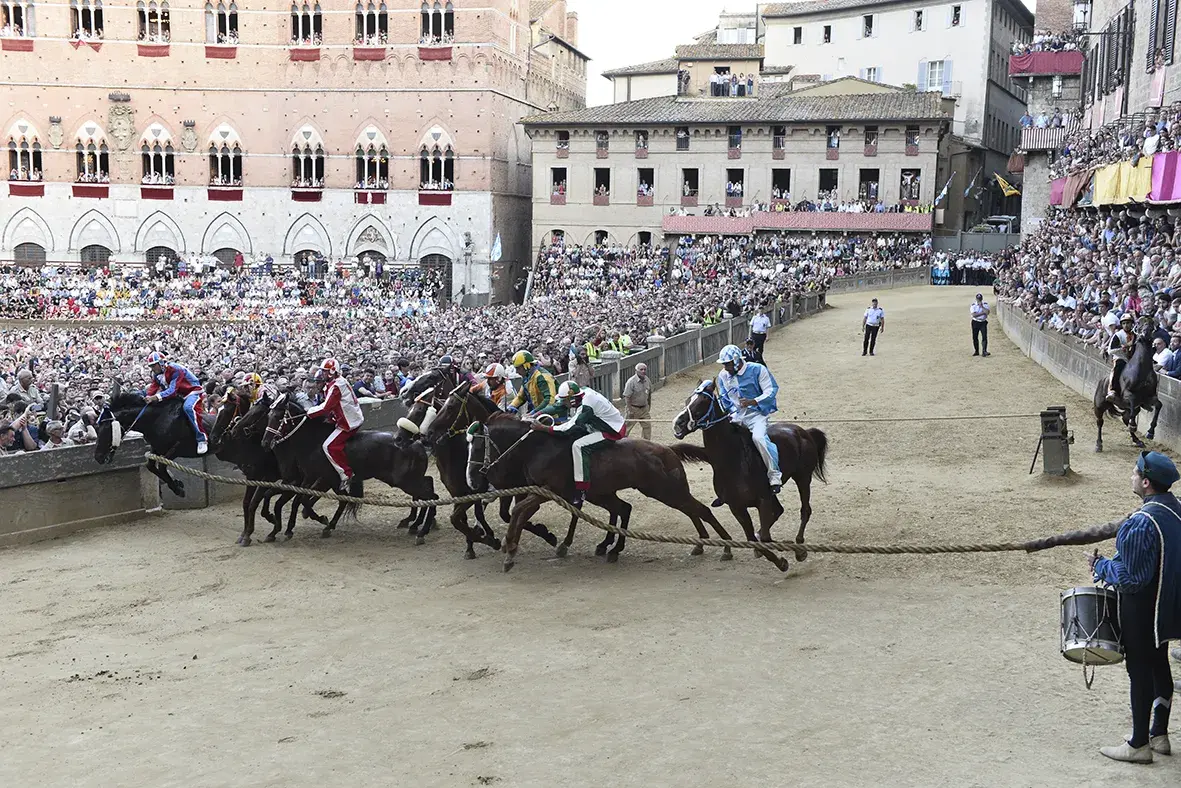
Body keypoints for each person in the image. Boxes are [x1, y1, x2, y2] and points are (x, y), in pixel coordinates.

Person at [1088, 451, 1181, 763]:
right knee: (1159, 666)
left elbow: (1131, 580)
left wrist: (1101, 565)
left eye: (1134, 472)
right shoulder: (1175, 512)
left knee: (1139, 671)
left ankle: (1138, 743)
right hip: (1166, 609)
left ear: (1145, 482)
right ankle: (1160, 735)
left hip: (1142, 611)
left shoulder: (1141, 523)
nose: (1130, 476)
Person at [532, 381, 626, 507]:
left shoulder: (587, 405)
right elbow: (558, 406)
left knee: (578, 446)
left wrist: (544, 428)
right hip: (597, 423)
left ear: (571, 399)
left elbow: (569, 428)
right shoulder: (580, 393)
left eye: (565, 400)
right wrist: (535, 414)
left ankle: (581, 489)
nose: (563, 402)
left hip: (611, 430)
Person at [715, 344, 781, 493]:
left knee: (759, 439)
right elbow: (724, 399)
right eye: (724, 364)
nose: (726, 367)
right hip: (736, 416)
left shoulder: (758, 369)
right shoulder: (723, 376)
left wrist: (753, 401)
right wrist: (729, 412)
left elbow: (771, 390)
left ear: (737, 361)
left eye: (728, 364)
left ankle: (774, 475)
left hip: (756, 415)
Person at [305, 357, 365, 490]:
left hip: (348, 422)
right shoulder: (336, 383)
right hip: (347, 417)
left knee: (328, 446)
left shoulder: (337, 385)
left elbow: (326, 407)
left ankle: (346, 475)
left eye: (325, 372)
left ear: (332, 371)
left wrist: (309, 412)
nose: (323, 374)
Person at [144, 351, 208, 455]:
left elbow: (172, 390)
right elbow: (153, 387)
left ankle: (202, 439)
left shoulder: (175, 369)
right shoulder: (157, 374)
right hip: (179, 395)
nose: (152, 368)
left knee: (188, 408)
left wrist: (155, 397)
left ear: (161, 363)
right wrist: (147, 396)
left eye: (154, 365)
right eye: (151, 366)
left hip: (192, 392)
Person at [508, 350, 557, 414]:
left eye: (518, 368)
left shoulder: (542, 376)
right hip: (537, 413)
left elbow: (550, 400)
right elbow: (521, 397)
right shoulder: (526, 378)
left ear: (527, 366)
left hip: (552, 415)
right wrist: (512, 406)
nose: (517, 372)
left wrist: (534, 412)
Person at [1107, 313, 1136, 401]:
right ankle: (1113, 390)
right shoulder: (1118, 335)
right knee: (1118, 366)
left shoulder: (1136, 335)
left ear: (1132, 324)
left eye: (1128, 323)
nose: (1126, 325)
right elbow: (1110, 351)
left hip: (1133, 359)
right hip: (1121, 357)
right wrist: (1124, 347)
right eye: (1124, 323)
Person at [622, 362, 653, 440]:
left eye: (644, 369)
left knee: (647, 427)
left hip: (644, 409)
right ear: (636, 371)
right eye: (641, 369)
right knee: (626, 428)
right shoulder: (631, 382)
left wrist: (648, 405)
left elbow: (649, 394)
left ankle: (646, 443)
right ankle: (621, 443)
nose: (643, 371)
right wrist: (630, 410)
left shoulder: (647, 380)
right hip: (633, 408)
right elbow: (627, 397)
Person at [970, 292, 991, 357]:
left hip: (983, 322)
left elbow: (987, 312)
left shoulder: (985, 304)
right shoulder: (973, 305)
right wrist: (982, 313)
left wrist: (982, 307)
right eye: (978, 299)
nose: (979, 300)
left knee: (984, 336)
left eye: (980, 299)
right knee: (975, 337)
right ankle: (976, 351)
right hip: (975, 322)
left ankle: (984, 351)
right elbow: (974, 315)